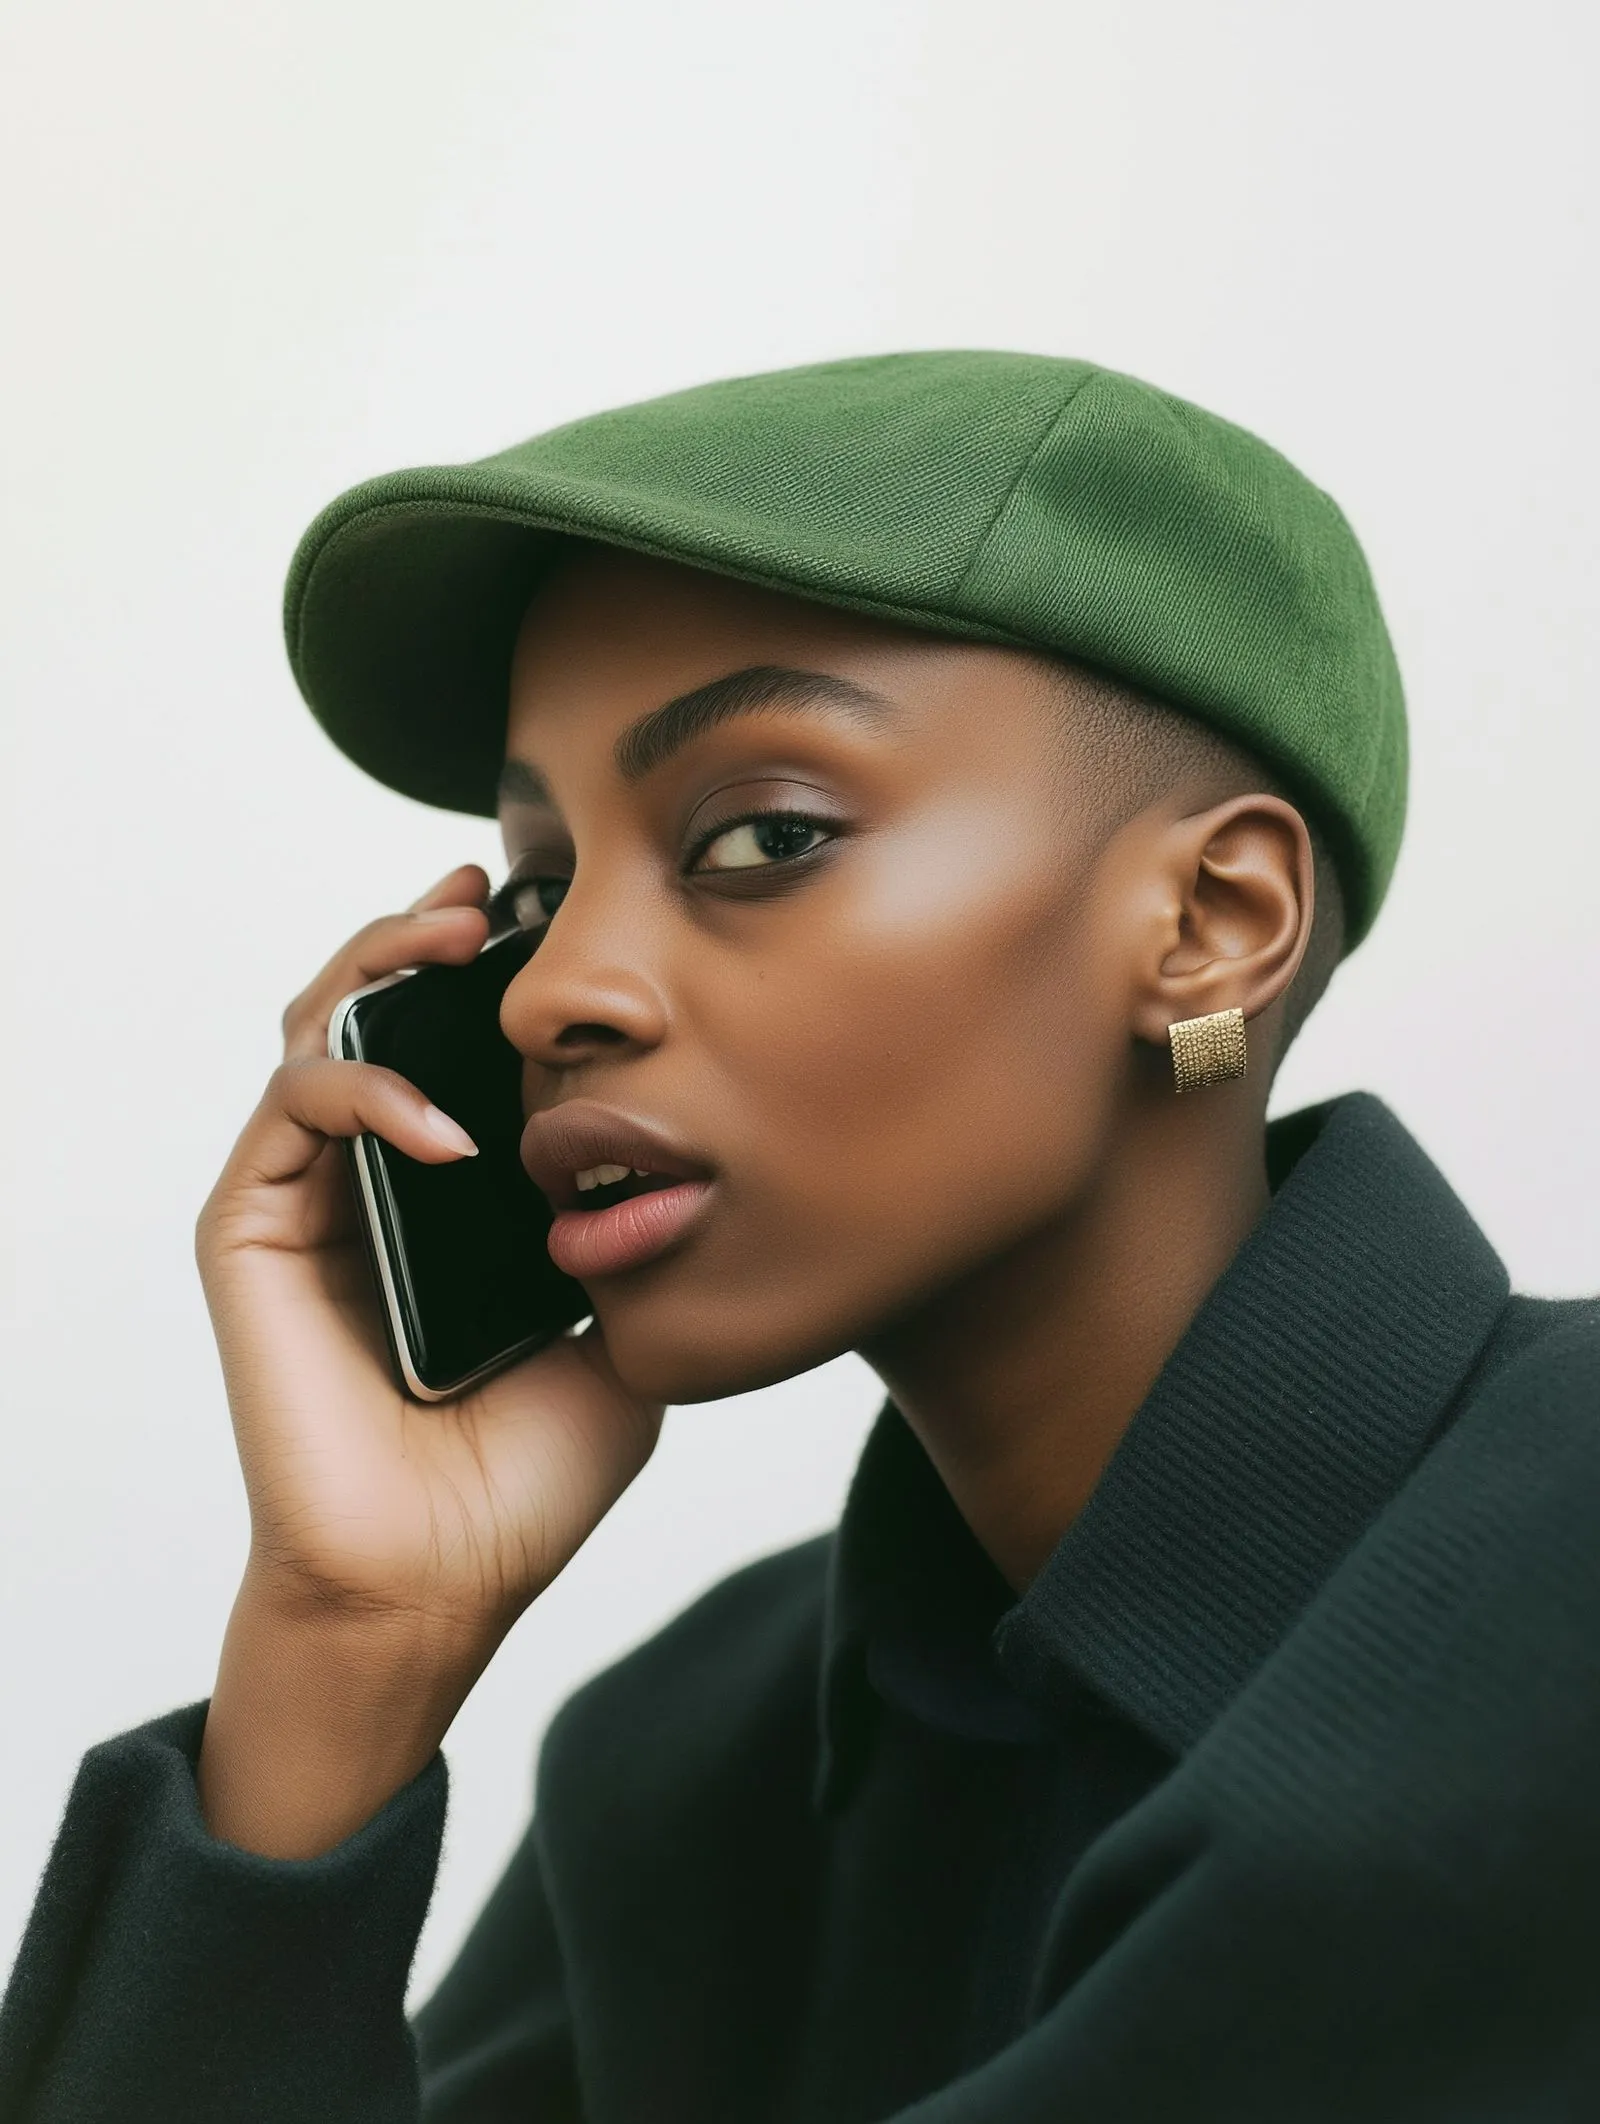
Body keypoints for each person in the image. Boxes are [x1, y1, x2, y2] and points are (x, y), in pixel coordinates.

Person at [2, 351, 1597, 2122]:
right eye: (532, 894)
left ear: (1213, 924)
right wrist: (343, 1634)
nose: (557, 996)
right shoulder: (690, 1768)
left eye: (762, 834)